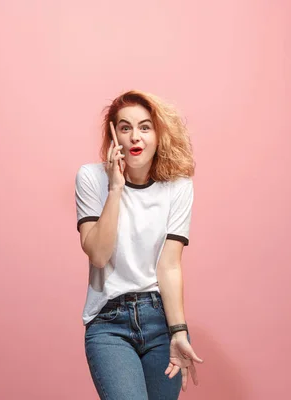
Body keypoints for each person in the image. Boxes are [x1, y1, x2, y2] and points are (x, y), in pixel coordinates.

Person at [74, 89, 204, 399]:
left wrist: (178, 332)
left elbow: (169, 265)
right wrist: (115, 189)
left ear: (159, 134)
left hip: (159, 320)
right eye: (125, 127)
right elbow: (99, 255)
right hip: (109, 322)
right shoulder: (91, 178)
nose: (135, 137)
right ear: (113, 135)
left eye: (145, 127)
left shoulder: (178, 187)